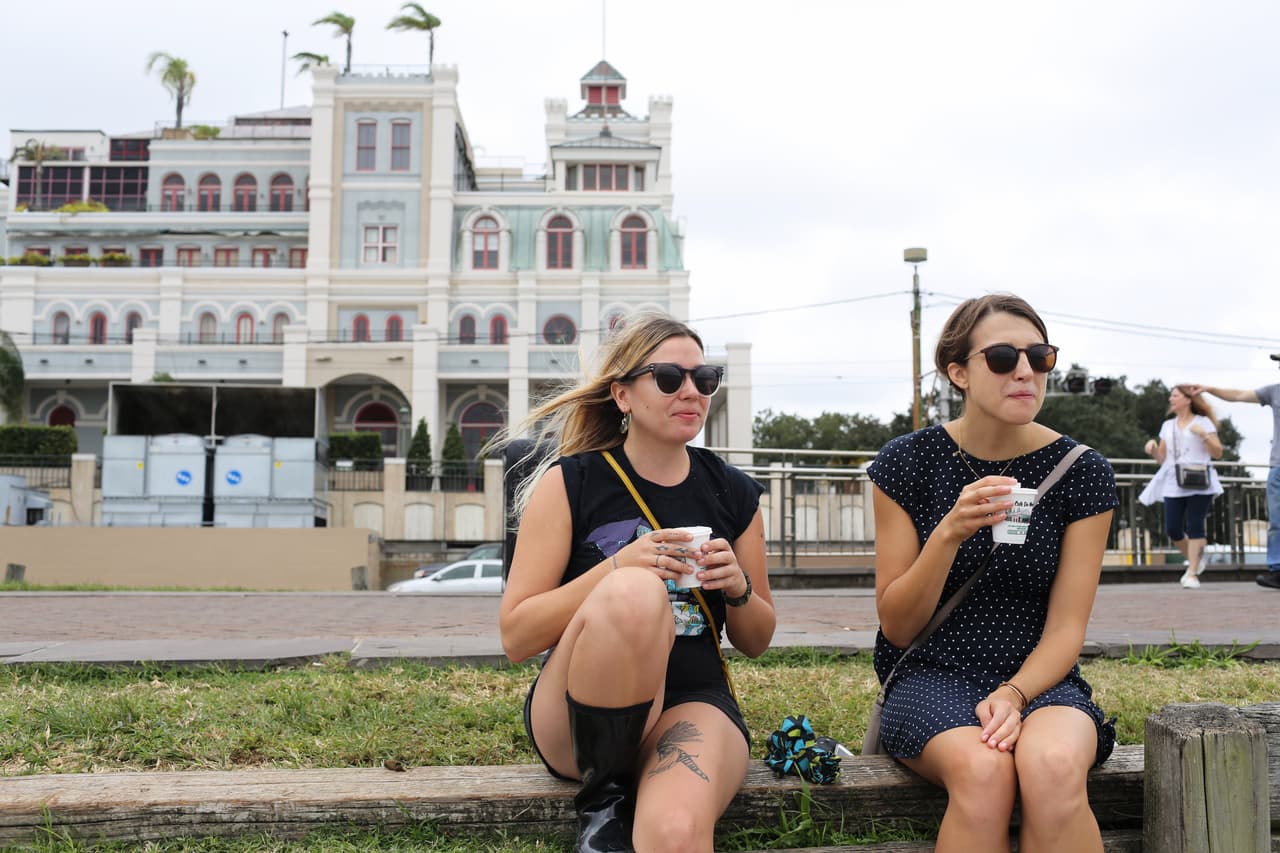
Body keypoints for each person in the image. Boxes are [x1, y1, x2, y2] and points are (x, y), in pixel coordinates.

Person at [498, 312, 775, 853]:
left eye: (705, 378)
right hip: (579, 715)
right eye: (669, 378)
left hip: (690, 698)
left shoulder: (733, 492)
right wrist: (619, 566)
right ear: (622, 396)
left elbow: (757, 640)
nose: (690, 391)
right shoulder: (571, 482)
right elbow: (516, 636)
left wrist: (737, 586)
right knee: (634, 590)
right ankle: (605, 805)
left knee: (674, 833)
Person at [866, 293, 1117, 853]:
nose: (1025, 371)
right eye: (1003, 358)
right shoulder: (906, 463)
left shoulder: (1081, 472)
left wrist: (1015, 692)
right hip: (933, 674)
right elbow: (898, 626)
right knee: (985, 773)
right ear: (958, 372)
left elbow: (1066, 629)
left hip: (1040, 678)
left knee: (1052, 766)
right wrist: (949, 533)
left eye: (1040, 357)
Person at [1188, 357, 1280, 590]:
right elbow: (1238, 395)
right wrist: (1209, 389)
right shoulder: (1274, 392)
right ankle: (1277, 570)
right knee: (1277, 521)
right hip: (1278, 466)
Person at [1137, 385, 1224, 588]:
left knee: (1195, 525)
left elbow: (1218, 453)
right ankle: (1196, 560)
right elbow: (1163, 458)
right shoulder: (1168, 426)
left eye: (1175, 395)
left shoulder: (1203, 422)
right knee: (1173, 529)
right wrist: (1153, 449)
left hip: (1199, 480)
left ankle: (1192, 572)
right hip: (1173, 481)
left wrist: (1203, 435)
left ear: (1187, 399)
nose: (1170, 399)